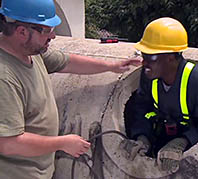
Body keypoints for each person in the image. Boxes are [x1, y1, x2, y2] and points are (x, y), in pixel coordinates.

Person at [0, 0, 141, 178]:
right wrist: (62, 143)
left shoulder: (29, 52)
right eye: (47, 30)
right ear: (21, 32)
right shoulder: (5, 77)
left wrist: (112, 66)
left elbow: (67, 62)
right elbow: (8, 142)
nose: (53, 36)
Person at [121, 17, 198, 172]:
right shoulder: (149, 75)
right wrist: (142, 137)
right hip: (161, 134)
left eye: (150, 57)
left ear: (170, 56)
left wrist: (182, 142)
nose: (144, 63)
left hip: (189, 141)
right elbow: (141, 109)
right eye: (143, 55)